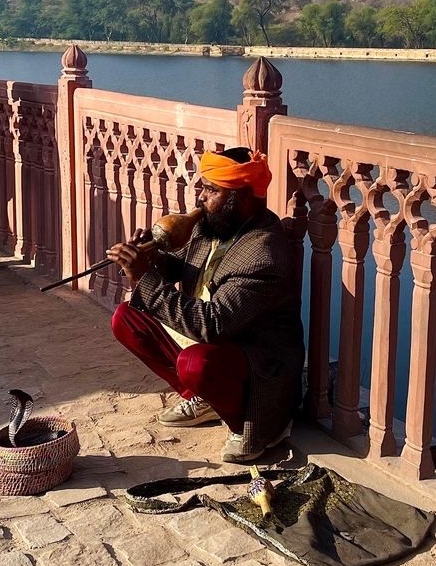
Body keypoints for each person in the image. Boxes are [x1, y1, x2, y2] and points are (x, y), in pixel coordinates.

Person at [106, 147, 305, 464]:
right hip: (212, 338)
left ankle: (243, 426)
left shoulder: (263, 256)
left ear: (240, 196)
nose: (201, 197)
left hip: (255, 358)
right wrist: (149, 256)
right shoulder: (212, 225)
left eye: (211, 190)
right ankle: (203, 399)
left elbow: (211, 325)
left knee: (195, 364)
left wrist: (143, 276)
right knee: (126, 318)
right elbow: (177, 268)